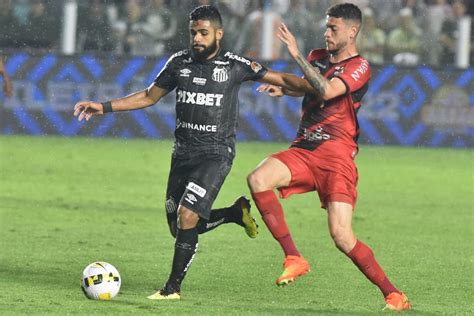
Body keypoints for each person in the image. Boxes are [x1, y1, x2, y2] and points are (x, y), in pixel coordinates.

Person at [74, 5, 313, 300]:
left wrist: (308, 89)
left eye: (203, 33)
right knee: (179, 228)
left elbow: (286, 80)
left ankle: (171, 288)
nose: (197, 39)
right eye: (193, 33)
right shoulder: (179, 63)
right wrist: (104, 107)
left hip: (216, 153)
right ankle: (233, 213)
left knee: (188, 216)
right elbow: (149, 96)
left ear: (219, 34)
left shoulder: (235, 65)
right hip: (183, 154)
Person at [248, 3, 411, 311]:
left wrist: (294, 53)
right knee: (258, 178)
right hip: (305, 148)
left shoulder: (360, 65)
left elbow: (325, 90)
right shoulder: (317, 58)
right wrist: (288, 90)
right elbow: (309, 84)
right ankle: (294, 257)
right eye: (326, 27)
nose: (327, 33)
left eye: (333, 28)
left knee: (342, 236)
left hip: (337, 156)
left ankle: (393, 294)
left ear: (353, 31)